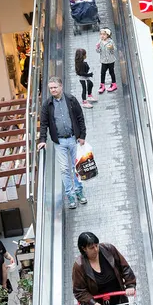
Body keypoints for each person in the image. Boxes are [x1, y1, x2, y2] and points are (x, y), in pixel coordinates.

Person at [37, 77, 88, 210]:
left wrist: (82, 135)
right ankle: (70, 195)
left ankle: (79, 191)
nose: (53, 90)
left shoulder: (71, 100)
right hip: (59, 142)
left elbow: (80, 117)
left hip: (73, 139)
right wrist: (42, 140)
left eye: (55, 87)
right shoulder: (47, 105)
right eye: (51, 88)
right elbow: (44, 124)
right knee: (65, 169)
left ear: (61, 87)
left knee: (76, 167)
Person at [71, 232, 136, 305]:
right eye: (91, 248)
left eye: (96, 245)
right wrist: (94, 304)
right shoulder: (79, 266)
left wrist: (130, 285)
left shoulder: (109, 250)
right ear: (84, 249)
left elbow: (124, 268)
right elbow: (79, 291)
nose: (96, 250)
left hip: (119, 301)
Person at [96, 28, 118, 92]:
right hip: (104, 61)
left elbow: (114, 50)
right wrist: (97, 48)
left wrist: (111, 48)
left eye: (104, 34)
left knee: (111, 72)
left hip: (111, 60)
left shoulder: (110, 41)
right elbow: (98, 51)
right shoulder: (100, 41)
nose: (102, 36)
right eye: (101, 34)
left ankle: (114, 84)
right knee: (102, 73)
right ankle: (102, 86)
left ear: (108, 35)